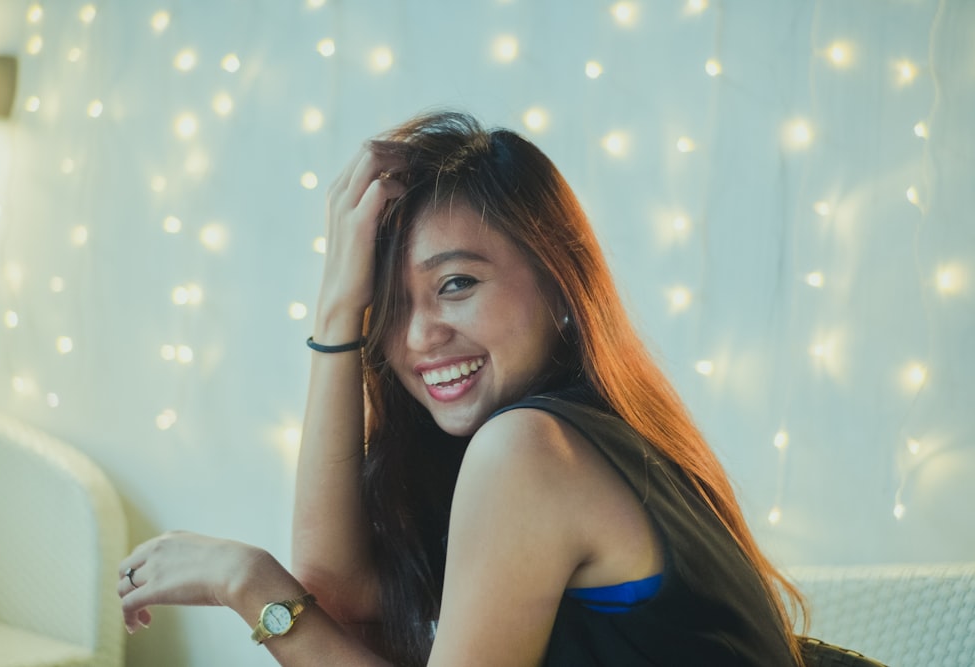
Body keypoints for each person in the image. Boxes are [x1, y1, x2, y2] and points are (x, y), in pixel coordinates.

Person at [118, 110, 806, 666]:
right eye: (387, 306)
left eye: (456, 284)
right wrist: (337, 310)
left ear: (559, 284)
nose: (417, 338)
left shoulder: (528, 449)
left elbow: (306, 603)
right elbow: (339, 595)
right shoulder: (576, 432)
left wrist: (246, 583)